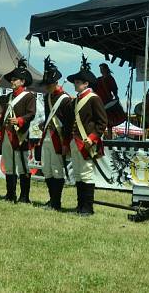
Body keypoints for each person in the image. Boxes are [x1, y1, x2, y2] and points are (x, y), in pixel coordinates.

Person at [67, 56, 107, 216]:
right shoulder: (77, 100)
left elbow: (102, 122)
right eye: (75, 81)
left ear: (86, 84)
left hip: (87, 142)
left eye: (78, 82)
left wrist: (92, 138)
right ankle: (80, 206)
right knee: (77, 174)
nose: (75, 84)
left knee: (86, 174)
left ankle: (88, 208)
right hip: (76, 142)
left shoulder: (94, 99)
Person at [0, 58, 36, 203]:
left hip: (21, 135)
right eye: (12, 79)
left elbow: (31, 114)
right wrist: (0, 133)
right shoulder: (9, 97)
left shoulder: (29, 97)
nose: (12, 81)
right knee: (9, 166)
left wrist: (19, 120)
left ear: (22, 81)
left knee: (23, 167)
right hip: (8, 135)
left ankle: (24, 196)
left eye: (15, 79)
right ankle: (10, 194)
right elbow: (3, 117)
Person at [39, 56, 72, 211]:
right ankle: (51, 199)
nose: (47, 88)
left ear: (55, 83)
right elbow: (48, 117)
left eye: (49, 85)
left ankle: (56, 202)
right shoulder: (48, 98)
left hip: (58, 139)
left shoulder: (65, 100)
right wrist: (44, 124)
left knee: (57, 169)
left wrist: (66, 143)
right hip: (47, 136)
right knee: (47, 169)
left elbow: (69, 124)